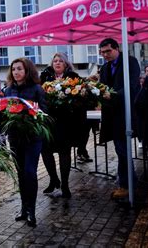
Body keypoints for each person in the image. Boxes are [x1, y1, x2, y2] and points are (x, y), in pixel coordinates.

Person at [3, 57, 47, 227]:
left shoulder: (37, 89)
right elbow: (4, 111)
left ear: (27, 70)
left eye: (20, 69)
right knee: (21, 174)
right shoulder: (8, 91)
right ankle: (23, 208)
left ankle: (32, 211)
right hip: (15, 138)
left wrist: (32, 113)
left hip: (32, 138)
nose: (16, 72)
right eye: (14, 69)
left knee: (30, 172)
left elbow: (44, 112)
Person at [99, 38, 141, 200]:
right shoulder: (105, 67)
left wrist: (113, 95)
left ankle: (126, 184)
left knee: (123, 149)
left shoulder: (130, 61)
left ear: (117, 48)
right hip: (112, 115)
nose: (105, 55)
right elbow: (102, 87)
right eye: (102, 52)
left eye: (108, 51)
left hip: (127, 112)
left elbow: (132, 85)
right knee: (120, 149)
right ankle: (127, 181)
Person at [40, 52, 85, 199]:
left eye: (60, 61)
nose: (57, 63)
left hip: (66, 122)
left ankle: (65, 184)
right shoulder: (45, 77)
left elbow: (80, 98)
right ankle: (53, 179)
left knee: (64, 152)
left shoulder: (73, 77)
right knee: (45, 151)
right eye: (55, 61)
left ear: (65, 63)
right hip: (49, 121)